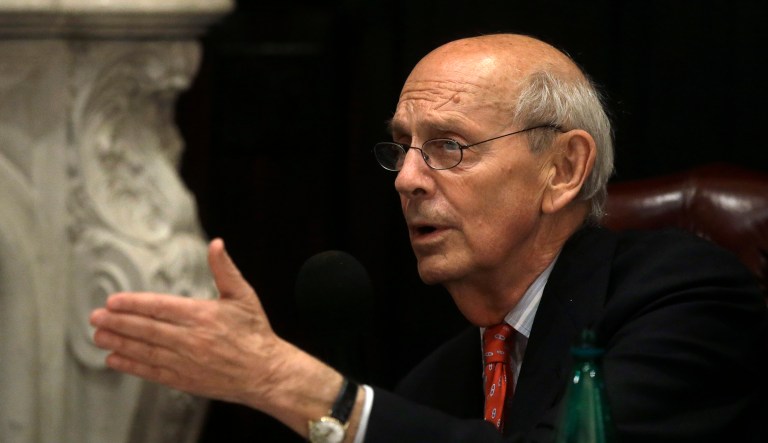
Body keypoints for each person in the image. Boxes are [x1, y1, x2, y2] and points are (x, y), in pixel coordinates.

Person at [90, 34, 768, 442]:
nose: (407, 178)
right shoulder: (441, 380)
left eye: (449, 146)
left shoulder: (687, 299)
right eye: (402, 148)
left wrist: (300, 387)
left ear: (563, 169)